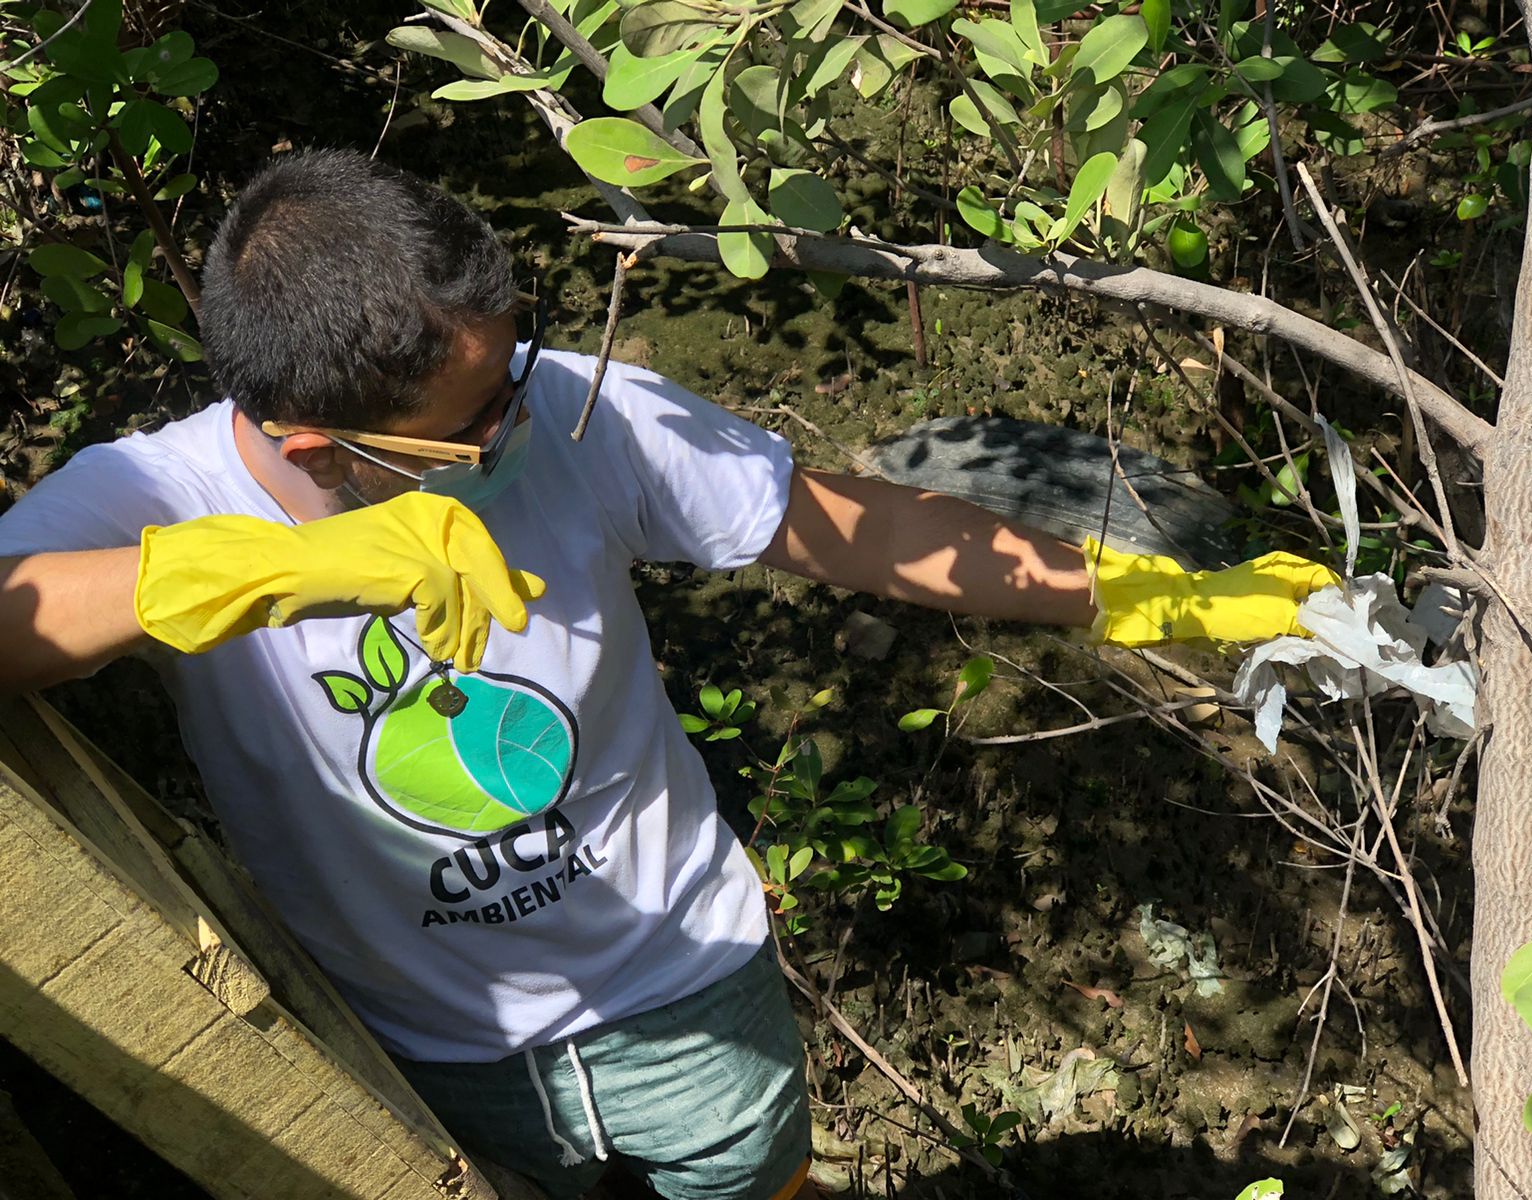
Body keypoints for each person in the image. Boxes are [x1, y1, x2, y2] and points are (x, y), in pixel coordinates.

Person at [0, 149, 1334, 1200]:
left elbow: (853, 529)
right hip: (416, 1034)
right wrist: (246, 575)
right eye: (469, 431)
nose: (521, 418)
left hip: (683, 982)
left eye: (514, 363)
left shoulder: (571, 415)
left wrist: (1141, 590)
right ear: (313, 447)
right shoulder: (151, 493)